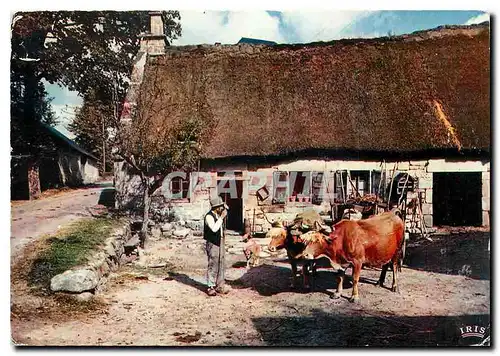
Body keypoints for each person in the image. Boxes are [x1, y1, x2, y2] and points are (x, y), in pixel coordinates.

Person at [204, 196, 231, 296]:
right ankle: (210, 286)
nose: (222, 209)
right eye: (221, 207)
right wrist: (221, 217)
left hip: (220, 241)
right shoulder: (209, 216)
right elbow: (214, 229)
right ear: (216, 207)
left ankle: (220, 285)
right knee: (213, 264)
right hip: (212, 243)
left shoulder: (217, 214)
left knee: (221, 263)